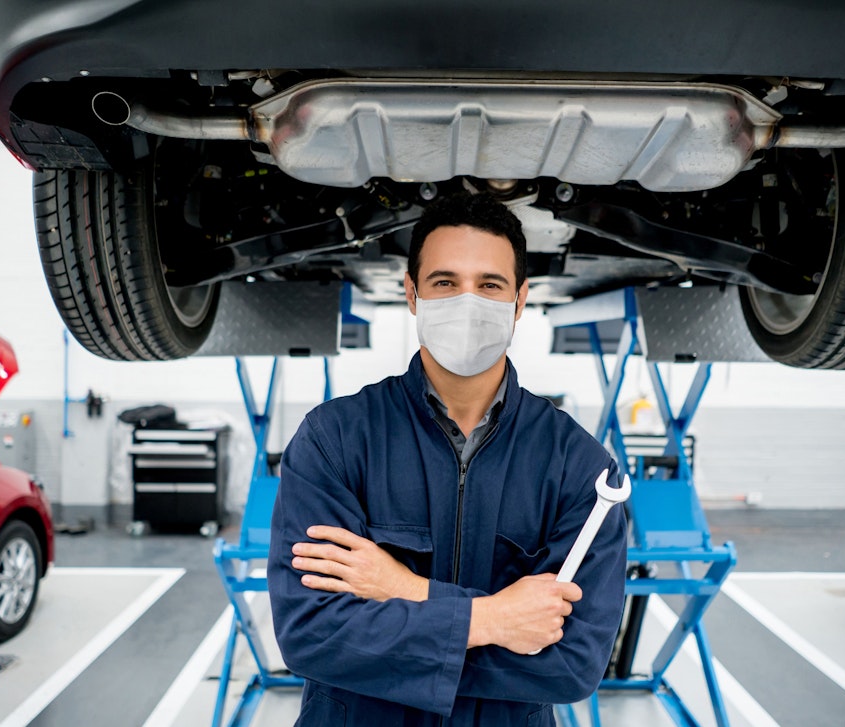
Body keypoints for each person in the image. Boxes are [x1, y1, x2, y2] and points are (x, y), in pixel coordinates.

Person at [267, 192, 628, 726]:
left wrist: (402, 591)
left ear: (520, 299)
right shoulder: (335, 439)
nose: (467, 301)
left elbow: (572, 666)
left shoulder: (581, 467)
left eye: (489, 285)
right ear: (412, 294)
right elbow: (312, 635)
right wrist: (490, 618)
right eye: (445, 282)